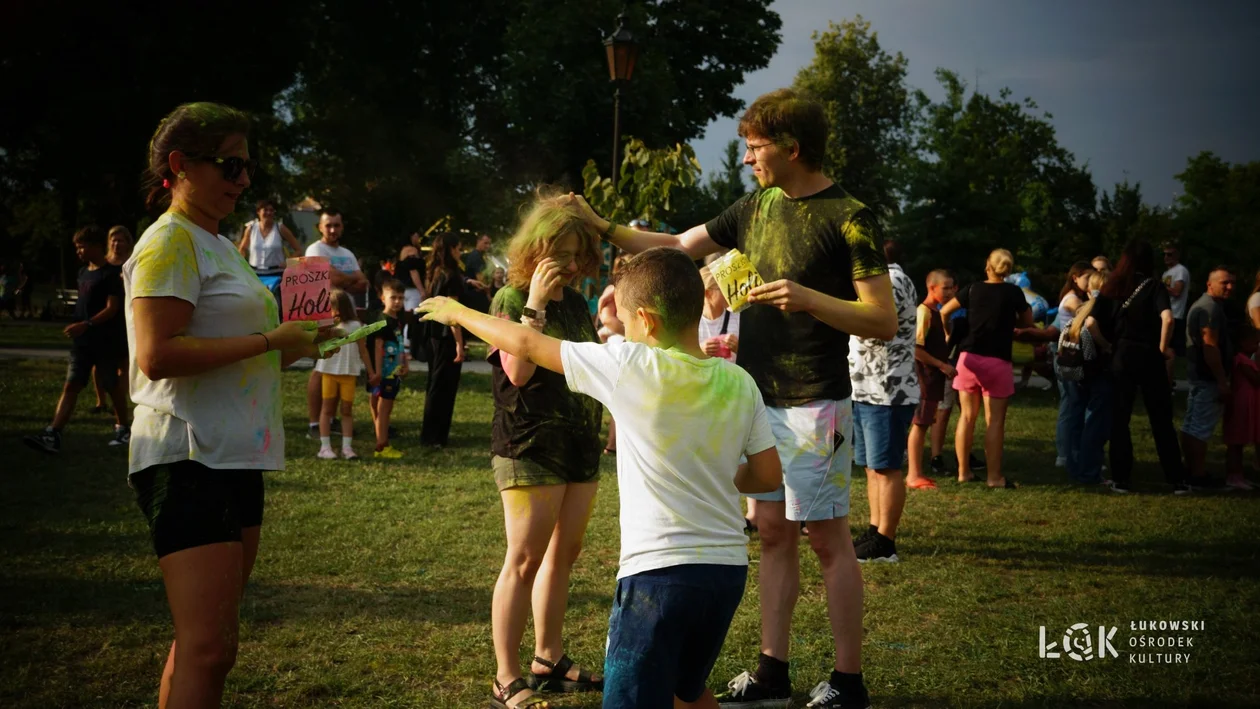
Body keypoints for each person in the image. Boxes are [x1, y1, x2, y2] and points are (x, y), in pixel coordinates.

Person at [568, 87, 894, 709]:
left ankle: (848, 681)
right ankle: (774, 669)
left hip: (815, 402)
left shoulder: (851, 216)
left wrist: (806, 299)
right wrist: (605, 227)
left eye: (755, 146)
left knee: (828, 540)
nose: (748, 158)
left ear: (791, 148)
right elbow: (677, 247)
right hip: (757, 397)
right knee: (772, 531)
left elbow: (881, 320)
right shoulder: (756, 205)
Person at [418, 247, 783, 709]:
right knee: (684, 692)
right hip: (726, 574)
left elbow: (526, 344)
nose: (624, 330)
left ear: (646, 322)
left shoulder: (630, 366)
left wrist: (458, 310)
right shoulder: (739, 381)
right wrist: (712, 471)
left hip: (657, 577)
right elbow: (767, 474)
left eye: (627, 320)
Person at [121, 102, 325, 708]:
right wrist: (269, 339)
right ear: (179, 166)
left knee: (202, 646)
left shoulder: (216, 245)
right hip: (187, 454)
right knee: (209, 648)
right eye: (229, 166)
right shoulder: (168, 242)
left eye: (246, 168)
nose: (242, 181)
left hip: (233, 457)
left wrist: (298, 343)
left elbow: (243, 355)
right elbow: (156, 355)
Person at [474, 194, 605, 709]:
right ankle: (507, 676)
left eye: (580, 255)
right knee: (524, 558)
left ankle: (548, 659)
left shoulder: (576, 302)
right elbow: (518, 372)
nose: (574, 266)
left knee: (563, 555)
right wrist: (534, 305)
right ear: (538, 249)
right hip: (529, 445)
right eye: (565, 254)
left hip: (578, 443)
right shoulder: (510, 298)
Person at [23, 225, 133, 453]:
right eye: (77, 247)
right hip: (82, 344)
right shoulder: (83, 273)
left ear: (95, 246)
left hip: (105, 342)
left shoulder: (111, 275)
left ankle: (124, 428)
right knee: (72, 384)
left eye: (81, 247)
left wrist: (87, 324)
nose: (78, 252)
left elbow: (112, 308)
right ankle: (53, 434)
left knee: (111, 385)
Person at [1091, 239, 1187, 494]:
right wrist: (1163, 347)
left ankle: (1121, 478)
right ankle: (1176, 479)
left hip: (1121, 354)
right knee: (1161, 418)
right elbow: (1167, 318)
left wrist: (1106, 346)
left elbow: (1090, 322)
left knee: (1120, 418)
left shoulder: (1112, 287)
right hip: (1149, 355)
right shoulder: (1154, 286)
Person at [849, 239, 919, 564]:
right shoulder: (882, 281)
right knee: (872, 466)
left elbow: (875, 327)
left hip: (888, 390)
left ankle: (886, 542)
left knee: (886, 467)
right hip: (868, 388)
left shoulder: (890, 281)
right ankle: (875, 530)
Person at [940, 249, 1032, 488]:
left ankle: (963, 472)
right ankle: (994, 477)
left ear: (987, 266)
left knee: (967, 417)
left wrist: (949, 332)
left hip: (968, 358)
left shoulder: (972, 289)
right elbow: (1028, 322)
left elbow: (944, 311)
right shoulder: (1014, 292)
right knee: (994, 422)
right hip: (997, 360)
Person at [305, 208, 369, 438]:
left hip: (346, 316)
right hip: (321, 313)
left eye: (337, 225)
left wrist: (342, 279)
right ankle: (315, 423)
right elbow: (332, 279)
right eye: (328, 225)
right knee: (320, 368)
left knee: (337, 365)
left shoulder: (347, 253)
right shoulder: (314, 249)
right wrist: (348, 279)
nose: (333, 229)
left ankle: (331, 419)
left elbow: (363, 283)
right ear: (320, 227)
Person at [1181, 267, 1236, 488]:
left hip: (1199, 375)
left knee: (1191, 425)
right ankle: (1198, 474)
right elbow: (1210, 346)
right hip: (1207, 378)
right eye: (1224, 283)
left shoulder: (1207, 306)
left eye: (1232, 282)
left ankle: (1191, 470)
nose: (1230, 287)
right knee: (1200, 428)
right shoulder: (1209, 308)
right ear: (1209, 284)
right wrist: (1222, 380)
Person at [1057, 273, 1114, 484]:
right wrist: (1107, 345)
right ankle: (1090, 470)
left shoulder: (1082, 307)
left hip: (1076, 368)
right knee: (1095, 421)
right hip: (1095, 369)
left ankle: (1073, 465)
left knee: (1075, 415)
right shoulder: (1102, 307)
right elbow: (1091, 324)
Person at [906, 269, 957, 490]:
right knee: (919, 425)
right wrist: (942, 365)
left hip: (932, 380)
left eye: (951, 287)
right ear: (931, 287)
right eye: (944, 287)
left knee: (924, 424)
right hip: (924, 380)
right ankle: (913, 474)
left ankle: (916, 471)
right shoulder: (924, 312)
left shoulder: (936, 313)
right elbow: (916, 349)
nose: (948, 292)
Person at [419, 233, 466, 447]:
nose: (460, 252)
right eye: (457, 248)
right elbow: (453, 313)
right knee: (444, 387)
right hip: (446, 336)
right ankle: (436, 437)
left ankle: (430, 434)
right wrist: (459, 343)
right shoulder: (452, 275)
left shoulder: (435, 272)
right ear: (450, 249)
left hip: (432, 334)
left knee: (435, 385)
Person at [1049, 262, 1095, 468]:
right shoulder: (1071, 299)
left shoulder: (1078, 297)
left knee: (1075, 404)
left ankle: (1072, 451)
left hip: (1074, 357)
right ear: (1075, 277)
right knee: (1070, 405)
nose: (1090, 283)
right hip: (1069, 358)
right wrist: (1097, 297)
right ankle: (1064, 454)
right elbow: (1084, 313)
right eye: (1087, 278)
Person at [316, 290, 371, 460]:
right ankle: (325, 447)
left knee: (346, 409)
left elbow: (363, 350)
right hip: (329, 371)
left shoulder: (356, 326)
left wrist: (371, 371)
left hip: (348, 373)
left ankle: (347, 447)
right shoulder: (326, 325)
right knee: (327, 408)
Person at [90, 225, 136, 413]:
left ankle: (120, 401)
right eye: (113, 240)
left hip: (124, 318)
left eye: (121, 240)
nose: (117, 243)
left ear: (127, 242)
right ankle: (100, 401)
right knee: (97, 363)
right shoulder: (103, 264)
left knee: (124, 363)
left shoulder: (132, 263)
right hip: (103, 317)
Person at [366, 279, 409, 458]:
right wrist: (376, 372)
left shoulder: (396, 320)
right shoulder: (381, 320)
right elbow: (377, 347)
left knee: (380, 407)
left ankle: (380, 439)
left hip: (393, 371)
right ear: (383, 298)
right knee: (384, 409)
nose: (398, 301)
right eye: (393, 298)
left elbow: (399, 345)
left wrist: (405, 364)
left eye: (401, 298)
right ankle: (382, 446)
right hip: (385, 374)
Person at [237, 199, 302, 303]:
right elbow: (242, 249)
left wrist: (288, 262)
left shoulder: (280, 228)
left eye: (271, 210)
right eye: (265, 210)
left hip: (276, 275)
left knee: (275, 305)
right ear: (258, 212)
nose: (268, 213)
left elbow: (298, 250)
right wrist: (242, 264)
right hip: (255, 274)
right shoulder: (251, 228)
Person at [597, 251, 629, 455]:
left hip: (627, 342)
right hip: (620, 345)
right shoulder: (613, 289)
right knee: (618, 398)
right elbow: (607, 318)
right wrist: (636, 333)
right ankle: (612, 444)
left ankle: (618, 444)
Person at [1224, 324, 1258, 490]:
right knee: (1236, 441)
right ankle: (1233, 475)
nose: (1256, 346)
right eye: (1253, 343)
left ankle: (1240, 475)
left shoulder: (1247, 359)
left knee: (1241, 441)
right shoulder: (1241, 360)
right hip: (1241, 404)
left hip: (1248, 404)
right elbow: (1256, 379)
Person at [699, 254, 740, 363]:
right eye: (723, 287)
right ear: (707, 293)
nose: (730, 291)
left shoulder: (738, 316)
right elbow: (680, 356)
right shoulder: (691, 320)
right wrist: (700, 350)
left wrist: (739, 348)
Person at [1161, 244, 1192, 385]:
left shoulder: (1180, 271)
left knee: (1169, 350)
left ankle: (1168, 383)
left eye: (1170, 254)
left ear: (1177, 255)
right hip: (1166, 313)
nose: (1166, 257)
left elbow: (1177, 291)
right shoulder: (1166, 273)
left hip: (1175, 315)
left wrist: (1161, 287)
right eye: (1165, 254)